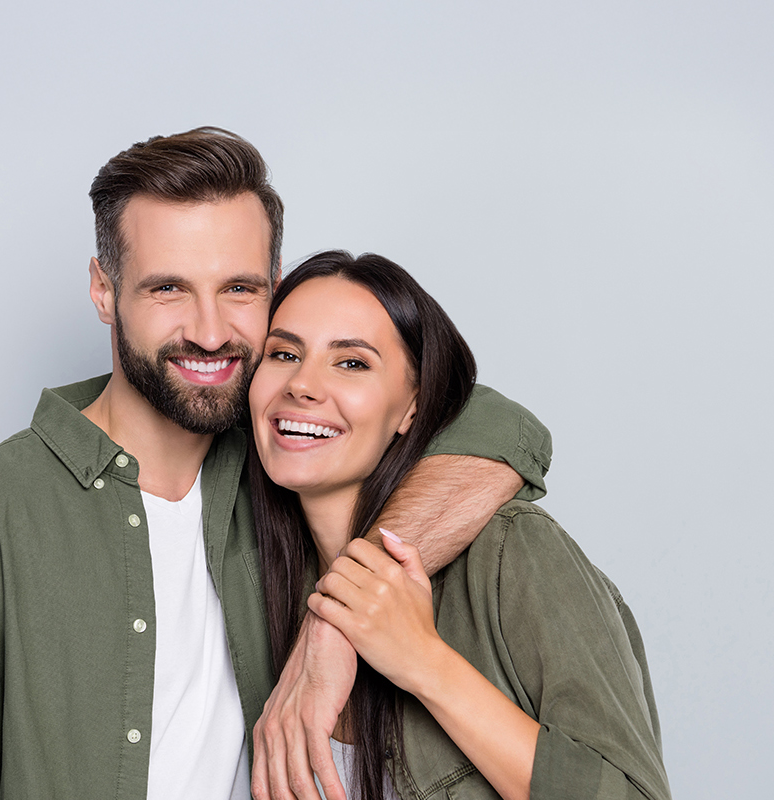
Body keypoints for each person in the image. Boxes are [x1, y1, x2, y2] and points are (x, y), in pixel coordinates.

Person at [0, 128, 554, 800]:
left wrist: (334, 625)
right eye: (168, 289)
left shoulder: (293, 464)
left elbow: (496, 424)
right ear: (104, 290)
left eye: (240, 289)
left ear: (275, 286)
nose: (211, 331)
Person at [246, 251, 669, 800]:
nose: (302, 385)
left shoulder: (512, 552)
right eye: (282, 353)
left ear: (411, 409)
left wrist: (421, 659)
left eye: (352, 362)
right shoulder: (241, 562)